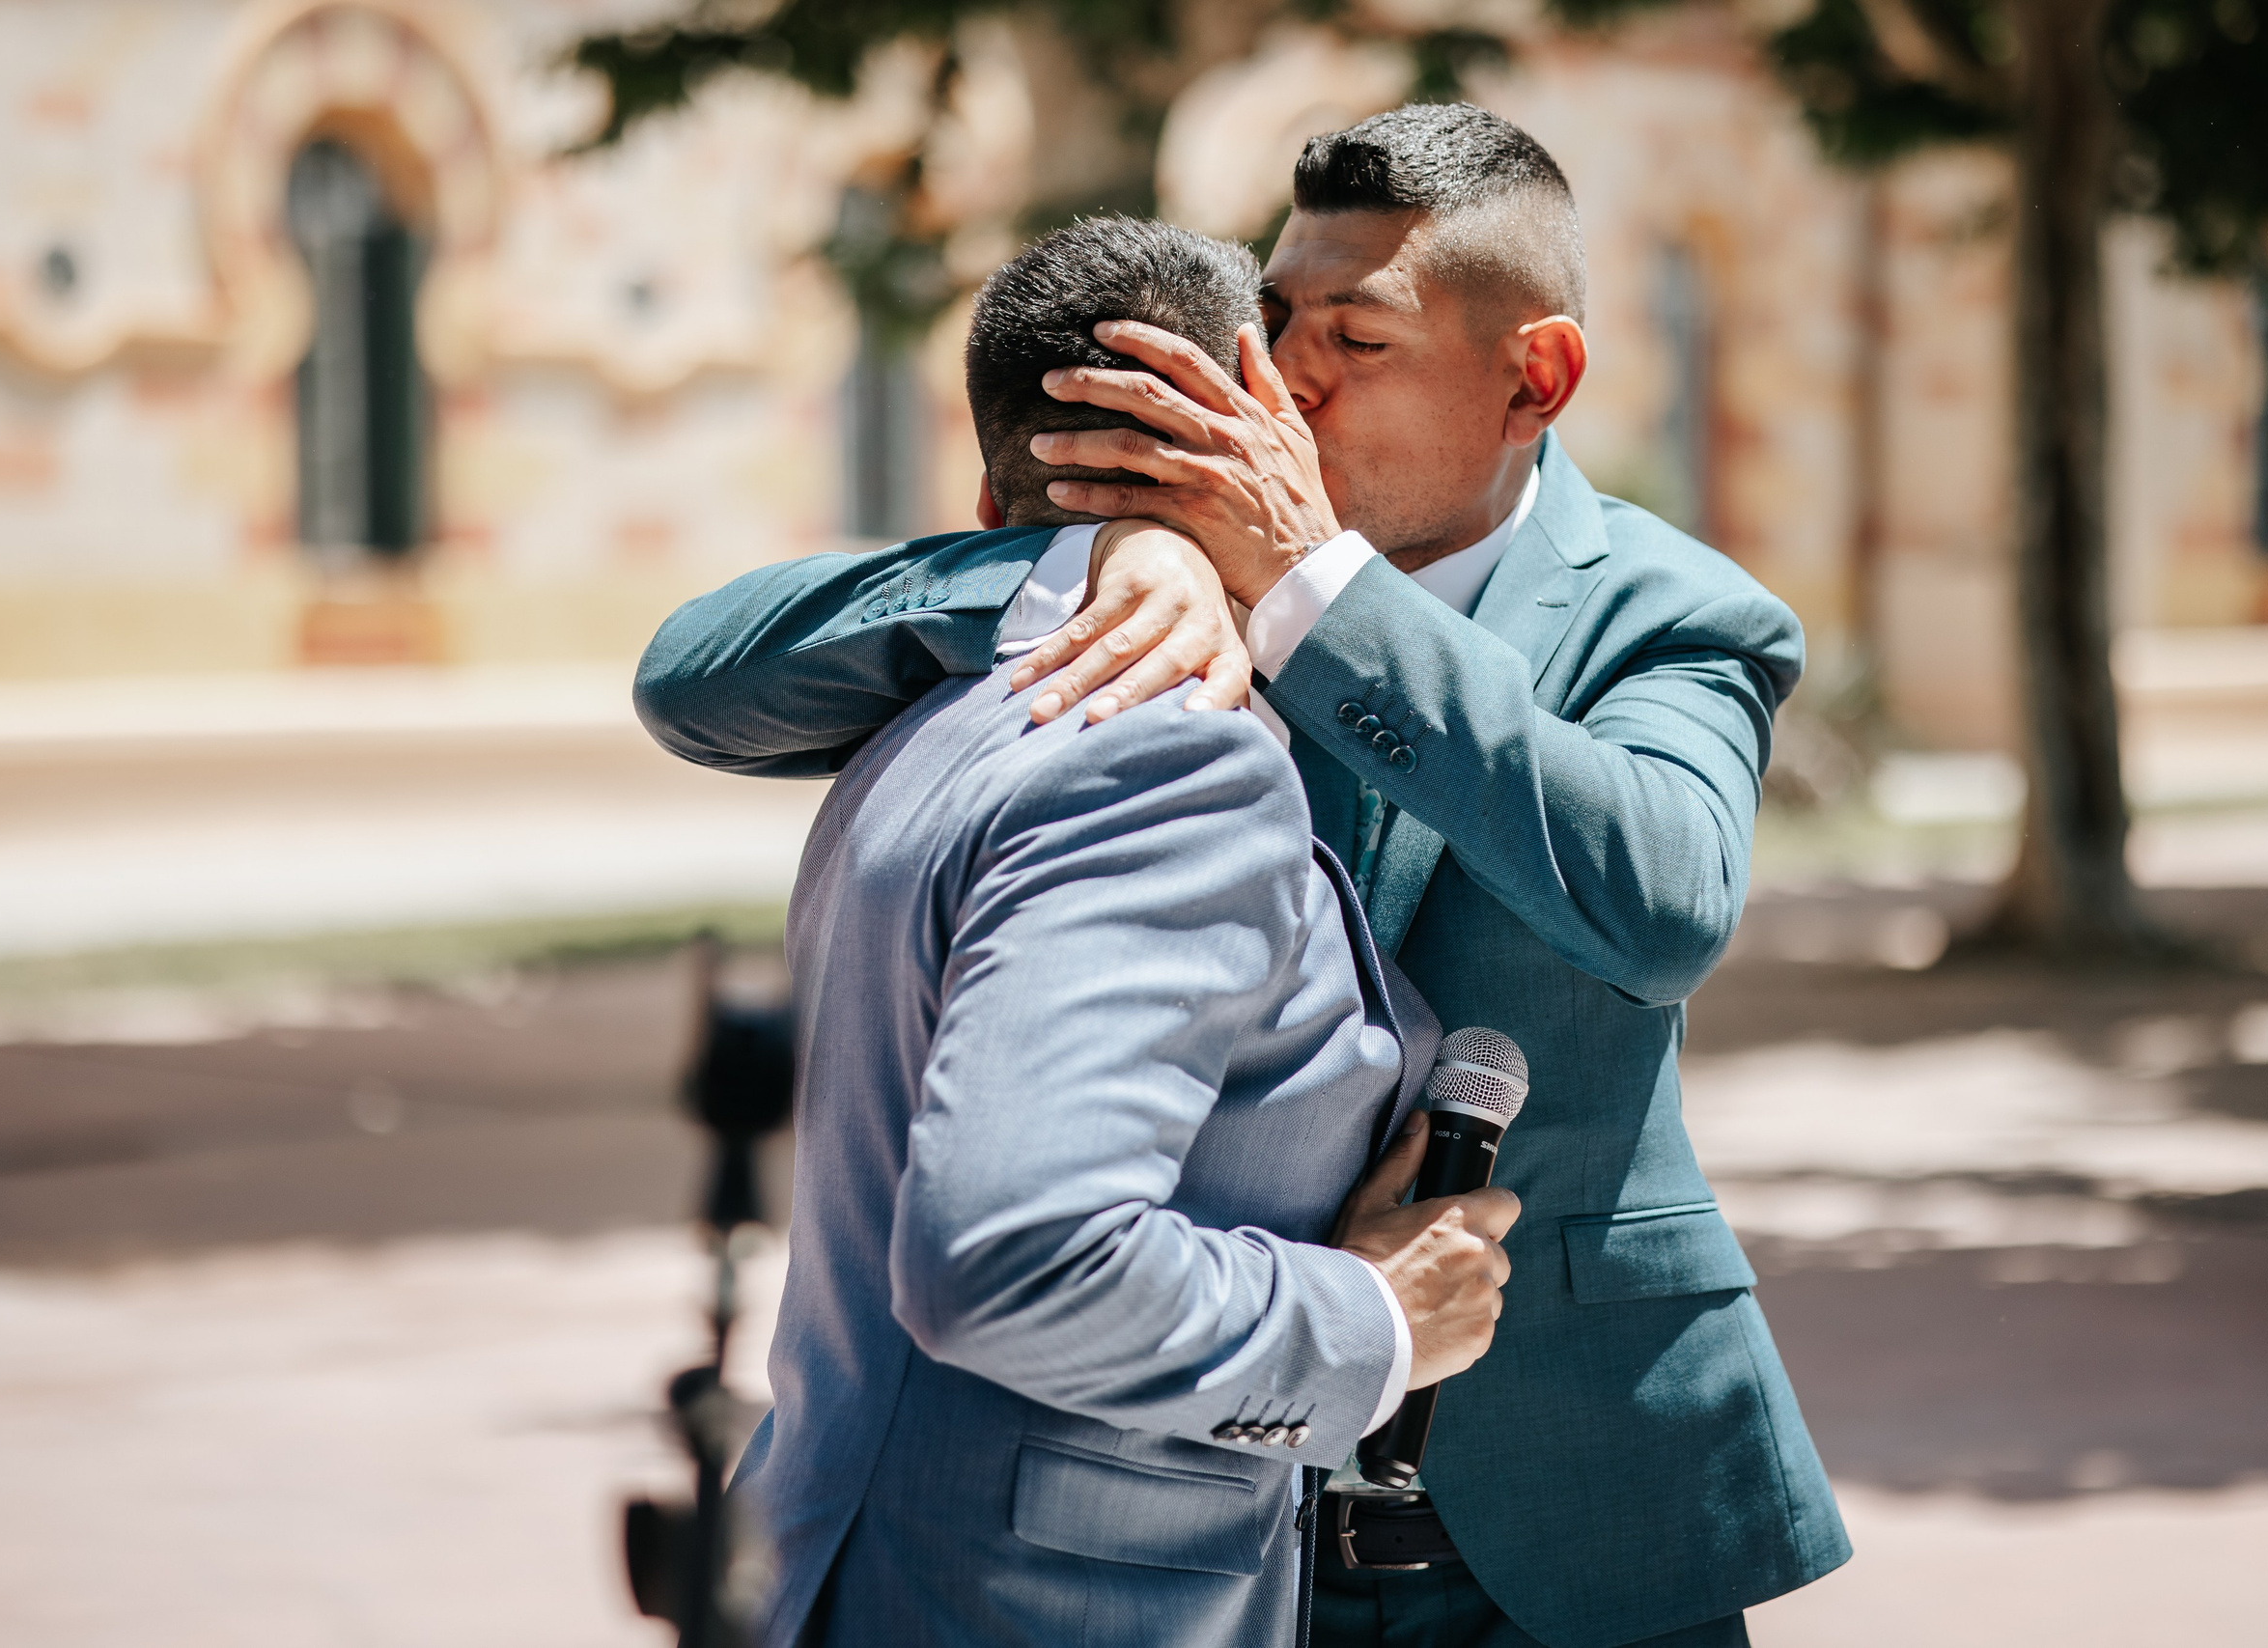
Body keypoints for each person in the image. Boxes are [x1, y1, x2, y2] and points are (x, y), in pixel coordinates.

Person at [634, 104, 1853, 1647]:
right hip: (1204, 1501)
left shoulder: (1676, 614)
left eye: (1358, 335)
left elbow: (1660, 903)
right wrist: (1082, 562)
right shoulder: (1171, 576)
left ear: (1532, 378)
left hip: (1564, 1517)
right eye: (1276, 320)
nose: (1289, 377)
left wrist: (1316, 595)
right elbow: (699, 683)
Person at [639, 216, 1521, 1648]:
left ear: (988, 504)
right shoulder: (1169, 758)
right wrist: (1371, 1325)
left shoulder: (920, 730)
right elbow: (1010, 1252)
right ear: (1264, 439)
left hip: (845, 1559)